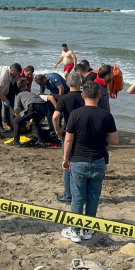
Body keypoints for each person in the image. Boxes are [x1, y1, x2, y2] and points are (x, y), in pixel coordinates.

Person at [61, 81, 118, 243]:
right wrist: (102, 135)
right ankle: (88, 229)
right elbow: (114, 140)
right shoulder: (106, 115)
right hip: (98, 161)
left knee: (78, 197)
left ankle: (74, 230)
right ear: (99, 96)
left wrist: (65, 159)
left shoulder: (76, 114)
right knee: (93, 197)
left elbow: (68, 140)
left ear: (83, 95)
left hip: (78, 160)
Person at [52, 72, 85, 204]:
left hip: (68, 132)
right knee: (80, 163)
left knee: (67, 164)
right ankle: (80, 193)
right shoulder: (84, 97)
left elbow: (55, 116)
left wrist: (58, 130)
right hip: (83, 133)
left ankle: (68, 195)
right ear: (80, 84)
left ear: (67, 84)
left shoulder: (64, 99)